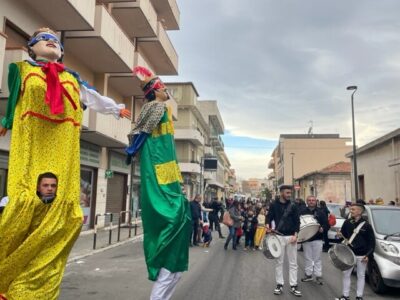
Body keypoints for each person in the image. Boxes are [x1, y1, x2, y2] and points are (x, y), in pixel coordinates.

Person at [0, 27, 130, 300]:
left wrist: (116, 108)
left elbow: (93, 98)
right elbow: (13, 100)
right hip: (33, 138)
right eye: (43, 40)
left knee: (67, 214)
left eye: (56, 42)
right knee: (24, 202)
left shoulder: (71, 78)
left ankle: (38, 283)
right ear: (31, 48)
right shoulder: (21, 70)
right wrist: (6, 122)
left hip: (63, 143)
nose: (50, 42)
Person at [125, 66, 191, 300]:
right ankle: (161, 257)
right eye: (162, 86)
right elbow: (142, 130)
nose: (166, 89)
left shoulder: (163, 108)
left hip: (167, 165)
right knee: (174, 215)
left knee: (182, 215)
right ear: (154, 91)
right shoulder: (156, 106)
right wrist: (132, 149)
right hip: (157, 163)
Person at [335, 203, 375, 300]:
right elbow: (342, 236)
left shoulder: (367, 225)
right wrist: (339, 236)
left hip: (362, 254)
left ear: (360, 211)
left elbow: (372, 242)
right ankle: (345, 296)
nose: (351, 211)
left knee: (361, 275)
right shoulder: (347, 222)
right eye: (351, 209)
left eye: (353, 209)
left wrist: (368, 255)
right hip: (348, 253)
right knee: (346, 274)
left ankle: (359, 296)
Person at [266, 185, 301, 297]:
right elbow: (269, 217)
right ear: (281, 193)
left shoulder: (293, 206)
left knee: (293, 263)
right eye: (287, 193)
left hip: (291, 236)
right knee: (279, 262)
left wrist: (296, 235)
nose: (289, 195)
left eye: (290, 193)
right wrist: (267, 226)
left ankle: (293, 285)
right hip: (278, 236)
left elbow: (297, 221)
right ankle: (279, 284)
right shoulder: (273, 205)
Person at [300, 195, 328, 285]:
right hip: (306, 238)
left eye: (313, 200)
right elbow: (298, 223)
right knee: (308, 258)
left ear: (316, 201)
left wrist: (323, 228)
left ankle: (318, 275)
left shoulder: (321, 212)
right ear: (307, 202)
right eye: (309, 200)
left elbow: (326, 224)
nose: (311, 201)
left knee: (317, 258)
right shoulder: (302, 211)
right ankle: (308, 275)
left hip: (318, 238)